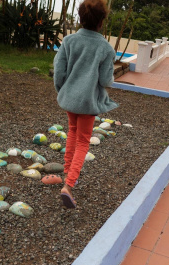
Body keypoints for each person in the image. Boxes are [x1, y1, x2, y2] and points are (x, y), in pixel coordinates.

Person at [53, 0, 118, 208]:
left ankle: (67, 174)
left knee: (72, 133)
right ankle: (69, 186)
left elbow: (59, 72)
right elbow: (106, 81)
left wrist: (64, 91)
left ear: (80, 18)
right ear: (101, 22)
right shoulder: (105, 48)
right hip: (88, 103)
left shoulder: (69, 41)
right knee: (83, 141)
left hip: (70, 100)